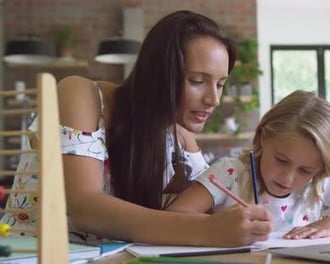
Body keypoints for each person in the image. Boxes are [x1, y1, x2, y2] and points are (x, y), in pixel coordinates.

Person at [0, 10, 272, 246]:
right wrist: (209, 230)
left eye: (220, 84)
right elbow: (86, 208)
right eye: (198, 81)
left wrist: (310, 221)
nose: (214, 99)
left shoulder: (181, 136)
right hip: (31, 255)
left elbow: (208, 206)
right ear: (159, 74)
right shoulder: (82, 96)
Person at [167, 90, 330, 239]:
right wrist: (217, 225)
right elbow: (172, 217)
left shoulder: (321, 186)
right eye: (281, 160)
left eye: (305, 170)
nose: (288, 178)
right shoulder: (230, 172)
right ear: (263, 137)